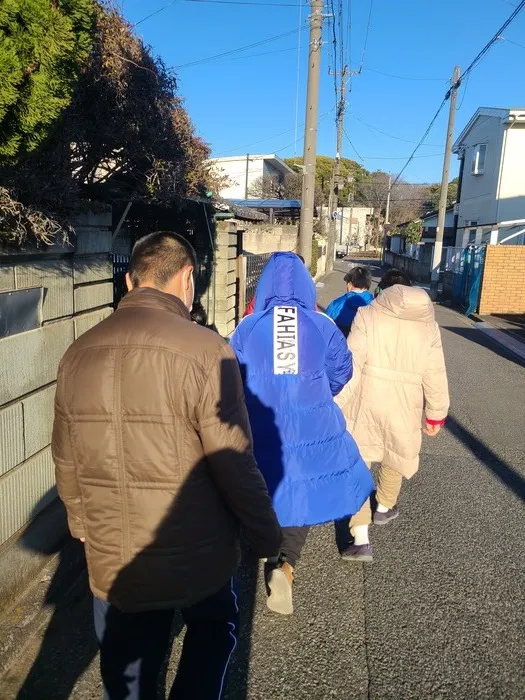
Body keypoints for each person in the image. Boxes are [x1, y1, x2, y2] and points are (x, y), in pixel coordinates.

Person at [52, 231, 282, 699]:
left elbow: (65, 450)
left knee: (128, 664)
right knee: (214, 630)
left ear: (129, 280)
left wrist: (78, 518)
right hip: (196, 546)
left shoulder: (77, 352)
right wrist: (266, 535)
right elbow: (234, 460)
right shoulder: (205, 350)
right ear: (187, 278)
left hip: (114, 549)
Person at [230, 252, 374, 615]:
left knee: (263, 484)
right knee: (302, 490)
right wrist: (318, 392)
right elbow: (342, 371)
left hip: (260, 423)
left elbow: (230, 377)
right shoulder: (321, 323)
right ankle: (286, 565)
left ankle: (263, 545)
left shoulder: (249, 326)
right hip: (313, 423)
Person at [336, 269, 449, 562]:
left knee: (357, 463)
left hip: (366, 402)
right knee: (395, 455)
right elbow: (435, 373)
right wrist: (435, 414)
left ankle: (360, 538)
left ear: (382, 291)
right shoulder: (429, 327)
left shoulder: (367, 315)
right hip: (405, 405)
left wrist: (335, 404)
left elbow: (352, 364)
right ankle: (385, 507)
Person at [243, 253, 319, 317]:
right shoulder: (306, 290)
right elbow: (314, 313)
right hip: (299, 328)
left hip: (269, 328)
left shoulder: (267, 287)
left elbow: (251, 313)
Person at [325, 265, 374, 337]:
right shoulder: (375, 305)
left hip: (340, 345)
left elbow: (325, 327)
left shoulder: (336, 304)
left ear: (349, 284)